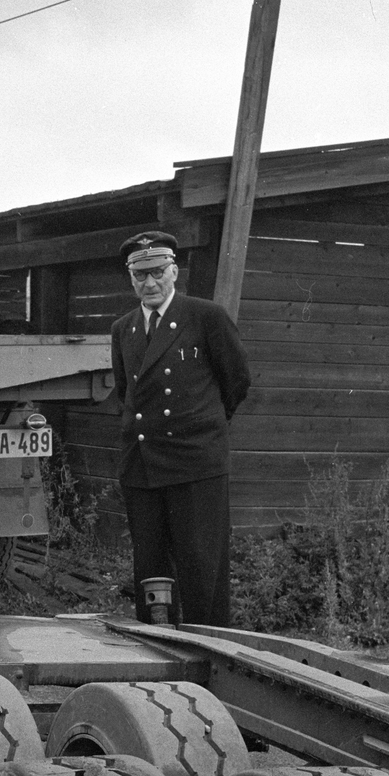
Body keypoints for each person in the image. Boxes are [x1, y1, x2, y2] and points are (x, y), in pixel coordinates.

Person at [111, 232, 251, 626]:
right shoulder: (124, 328)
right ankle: (157, 648)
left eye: (157, 272)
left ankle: (209, 655)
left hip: (196, 464)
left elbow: (236, 381)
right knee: (151, 566)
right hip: (142, 464)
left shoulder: (206, 317)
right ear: (131, 279)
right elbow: (128, 393)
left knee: (201, 566)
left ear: (174, 271)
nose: (150, 283)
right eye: (140, 276)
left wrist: (201, 427)